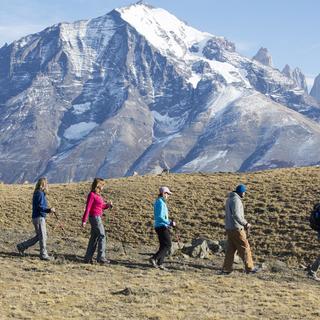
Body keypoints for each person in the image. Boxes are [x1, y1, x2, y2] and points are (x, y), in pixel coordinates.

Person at [221, 184, 259, 274]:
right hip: (237, 228)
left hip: (229, 228)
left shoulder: (229, 199)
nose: (245, 194)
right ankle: (250, 268)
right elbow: (237, 215)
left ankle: (227, 269)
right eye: (244, 192)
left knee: (231, 249)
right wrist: (245, 224)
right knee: (245, 247)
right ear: (241, 192)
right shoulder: (236, 200)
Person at [17, 177, 55, 260]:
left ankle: (22, 246)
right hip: (39, 217)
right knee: (43, 236)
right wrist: (49, 210)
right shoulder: (40, 193)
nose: (47, 186)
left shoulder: (38, 193)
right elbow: (40, 207)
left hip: (36, 217)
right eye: (46, 184)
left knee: (39, 236)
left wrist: (48, 210)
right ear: (43, 185)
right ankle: (43, 254)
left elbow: (40, 206)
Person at [82, 178, 113, 264]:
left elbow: (101, 206)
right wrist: (84, 220)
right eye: (102, 185)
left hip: (96, 217)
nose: (103, 187)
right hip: (95, 218)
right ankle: (101, 257)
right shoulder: (92, 195)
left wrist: (108, 205)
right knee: (102, 235)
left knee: (94, 238)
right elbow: (88, 208)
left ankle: (88, 258)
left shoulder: (98, 195)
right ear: (98, 185)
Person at [149, 186, 176, 270]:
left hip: (159, 226)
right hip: (162, 226)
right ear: (164, 193)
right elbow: (160, 217)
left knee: (163, 245)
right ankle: (154, 258)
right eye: (168, 193)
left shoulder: (160, 202)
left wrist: (168, 222)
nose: (168, 195)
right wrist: (169, 222)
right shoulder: (160, 202)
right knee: (168, 245)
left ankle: (160, 263)